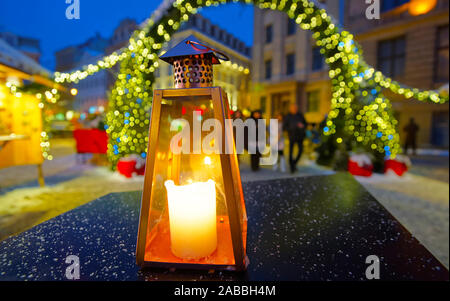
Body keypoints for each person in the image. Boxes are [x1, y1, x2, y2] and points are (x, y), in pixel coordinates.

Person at [283, 104, 307, 173]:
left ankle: (294, 163)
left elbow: (305, 124)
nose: (294, 109)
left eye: (295, 108)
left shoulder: (300, 115)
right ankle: (292, 167)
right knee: (291, 152)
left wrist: (302, 126)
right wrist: (291, 128)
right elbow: (284, 127)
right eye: (293, 108)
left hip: (300, 136)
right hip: (292, 136)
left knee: (300, 151)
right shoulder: (288, 116)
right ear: (290, 109)